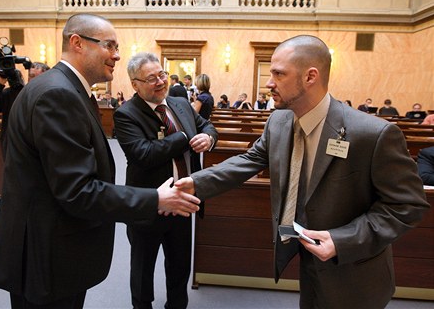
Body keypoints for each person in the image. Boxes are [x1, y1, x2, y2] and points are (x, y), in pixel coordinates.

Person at [175, 35, 430, 309]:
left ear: (310, 77)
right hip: (306, 260)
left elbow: (408, 204)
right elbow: (250, 160)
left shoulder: (373, 134)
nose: (269, 82)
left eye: (278, 74)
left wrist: (342, 240)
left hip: (354, 274)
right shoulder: (279, 120)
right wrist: (194, 182)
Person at [0, 13, 200, 309]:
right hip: (47, 255)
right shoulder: (58, 94)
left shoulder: (60, 87)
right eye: (109, 46)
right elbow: (78, 190)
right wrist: (155, 199)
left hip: (45, 246)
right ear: (78, 43)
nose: (117, 55)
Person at [113, 52, 218, 309]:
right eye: (151, 78)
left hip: (183, 201)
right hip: (148, 205)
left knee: (180, 265)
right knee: (142, 269)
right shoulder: (126, 114)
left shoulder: (180, 103)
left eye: (162, 75)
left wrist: (208, 138)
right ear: (135, 84)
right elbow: (144, 154)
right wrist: (183, 136)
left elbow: (206, 125)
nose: (160, 82)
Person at [0, 62, 50, 157]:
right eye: (32, 76)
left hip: (41, 154)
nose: (35, 80)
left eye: (40, 77)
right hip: (13, 154)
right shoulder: (13, 94)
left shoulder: (51, 97)